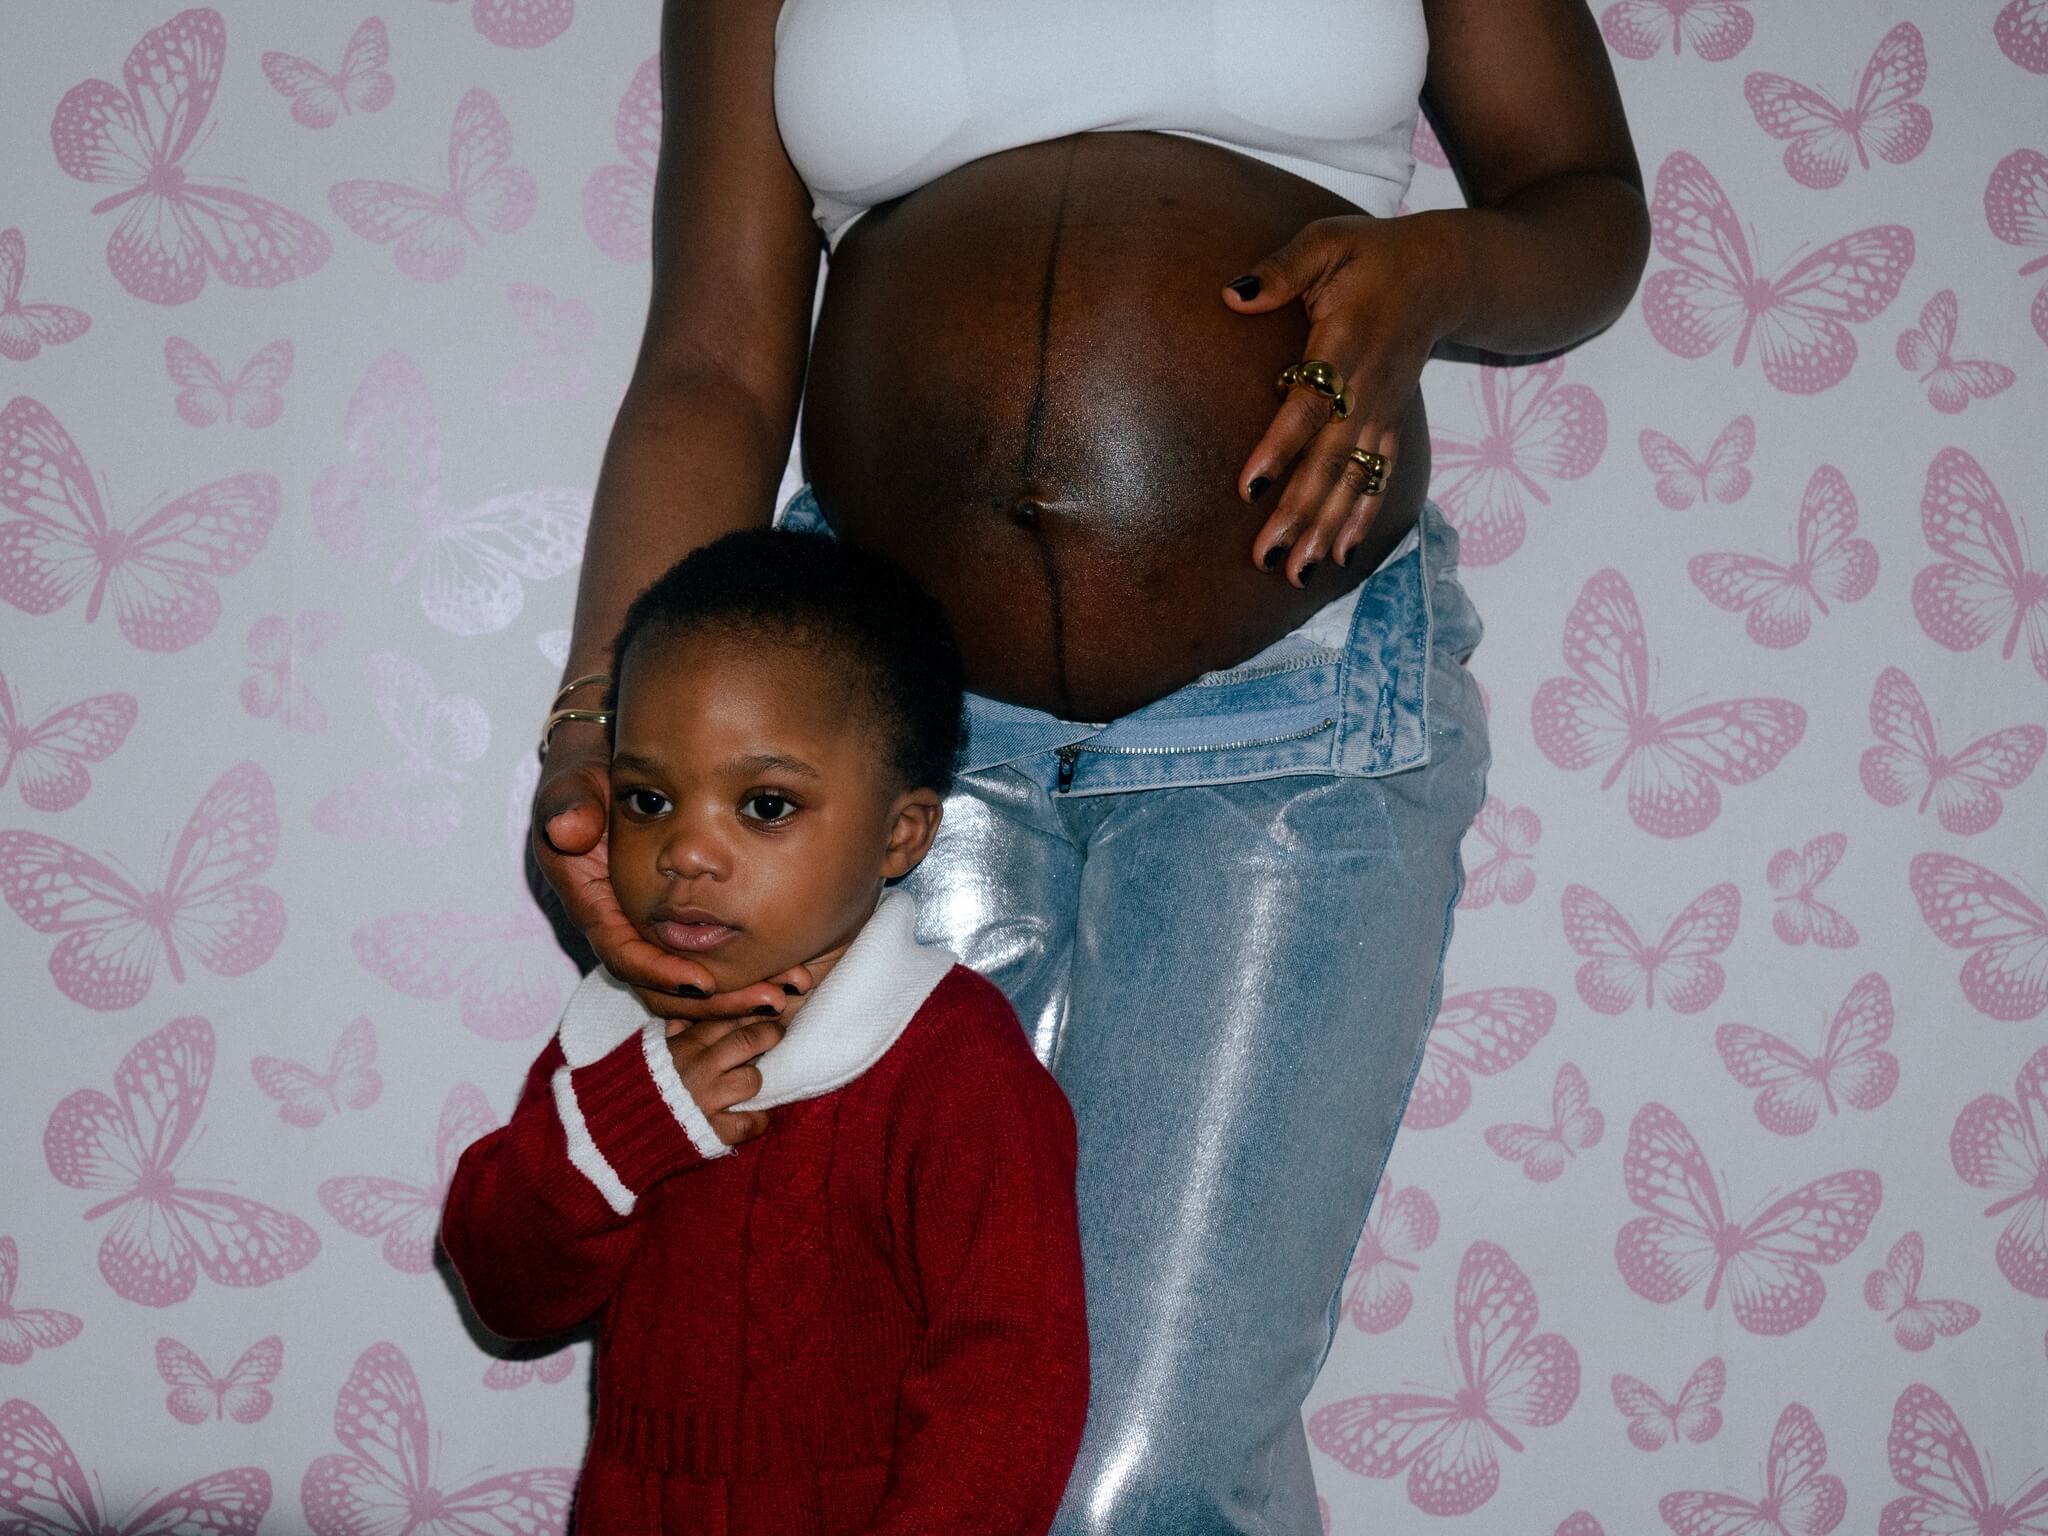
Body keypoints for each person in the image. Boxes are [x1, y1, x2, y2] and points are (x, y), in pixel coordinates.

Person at [533, 2, 1650, 1530]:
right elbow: (717, 357)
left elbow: (1587, 204)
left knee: (1146, 1476)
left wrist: (1437, 270)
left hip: (1296, 707)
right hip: (869, 750)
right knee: (860, 1425)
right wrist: (600, 729)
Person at [448, 528, 1091, 1533]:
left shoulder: (952, 1063)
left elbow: (1010, 1390)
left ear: (900, 835)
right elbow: (505, 1289)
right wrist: (624, 1131)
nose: (687, 851)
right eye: (648, 799)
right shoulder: (616, 1039)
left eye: (764, 805)